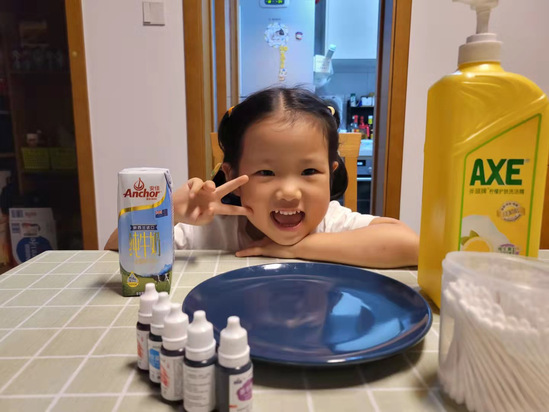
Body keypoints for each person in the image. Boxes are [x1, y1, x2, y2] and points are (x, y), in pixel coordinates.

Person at [105, 87, 418, 268]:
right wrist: (169, 211)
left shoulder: (331, 223)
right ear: (231, 176)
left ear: (331, 174)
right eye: (266, 172)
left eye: (309, 171)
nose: (290, 192)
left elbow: (411, 245)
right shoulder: (210, 230)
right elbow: (114, 248)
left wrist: (296, 249)